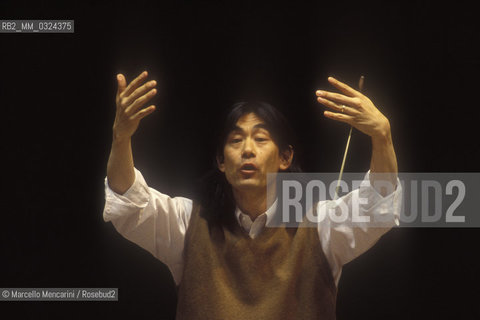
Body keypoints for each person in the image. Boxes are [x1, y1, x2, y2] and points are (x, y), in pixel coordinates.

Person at [103, 70, 402, 320]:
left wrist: (382, 135)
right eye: (236, 140)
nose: (247, 149)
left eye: (260, 138)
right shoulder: (187, 223)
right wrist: (121, 137)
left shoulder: (321, 224)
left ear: (284, 158)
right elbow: (129, 203)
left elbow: (379, 205)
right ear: (221, 161)